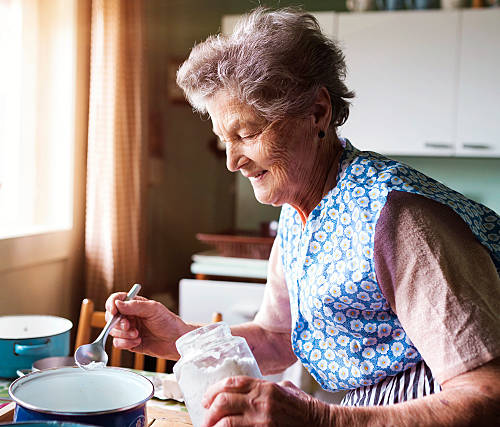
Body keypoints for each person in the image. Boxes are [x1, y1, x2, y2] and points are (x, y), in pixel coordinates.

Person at [106, 7, 500, 426]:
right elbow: (279, 339)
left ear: (317, 113)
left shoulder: (400, 219)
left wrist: (320, 420)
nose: (232, 161)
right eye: (225, 140)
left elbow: (487, 396)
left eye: (248, 133)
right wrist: (178, 336)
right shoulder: (300, 210)